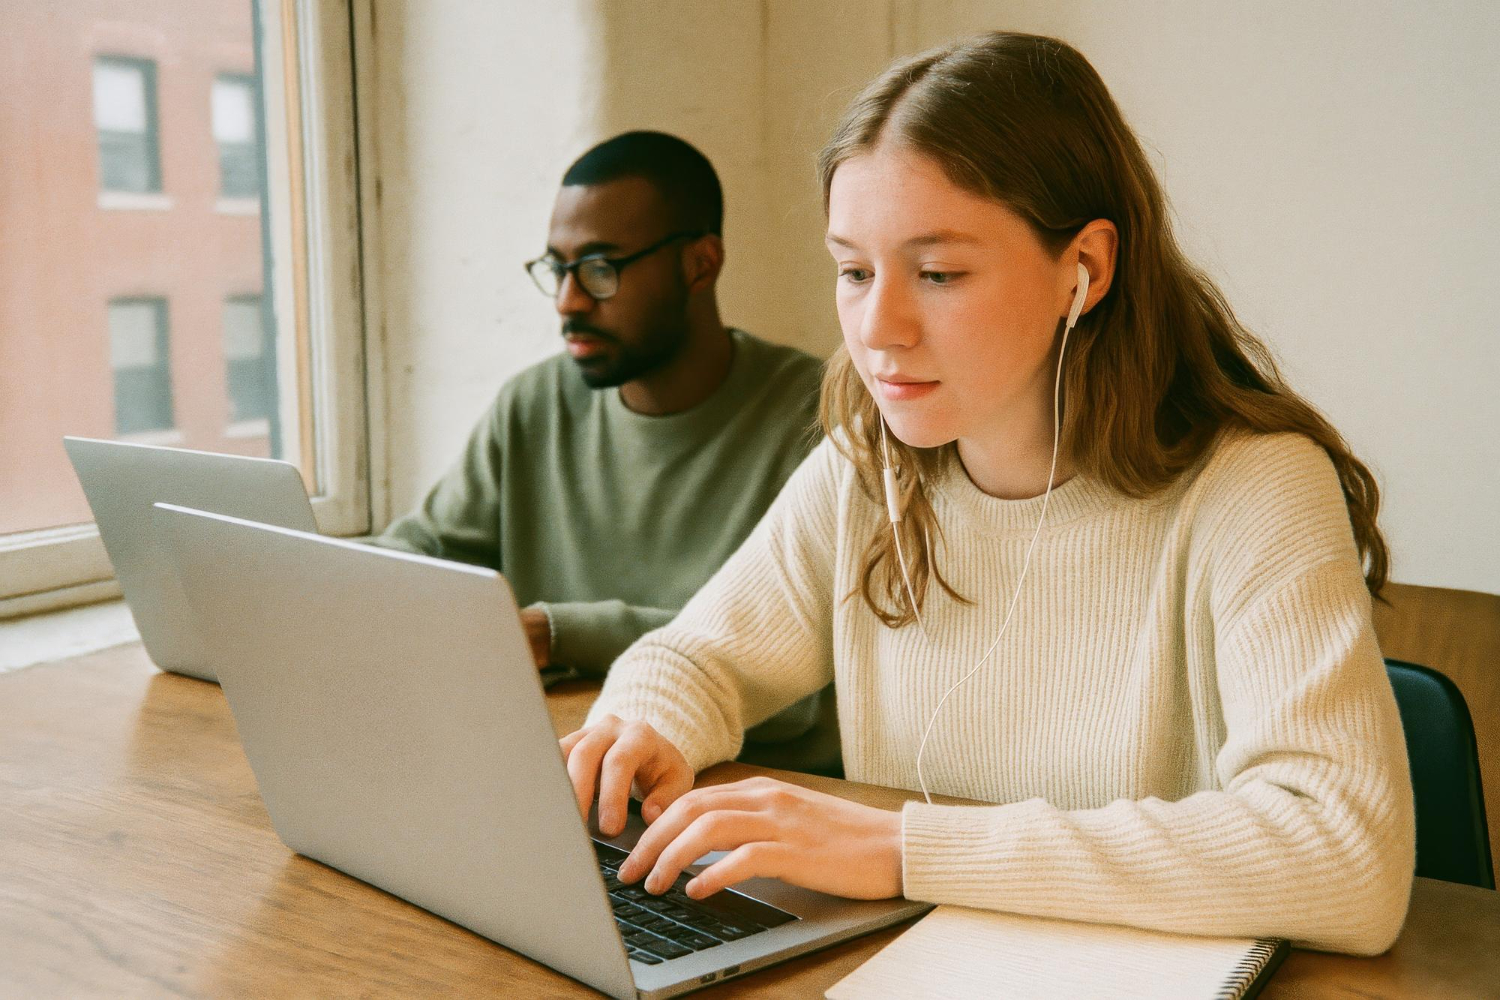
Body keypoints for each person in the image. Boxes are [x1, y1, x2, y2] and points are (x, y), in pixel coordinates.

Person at [560, 34, 1415, 955]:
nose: (877, 328)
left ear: (1084, 266)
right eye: (854, 270)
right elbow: (700, 658)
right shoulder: (870, 467)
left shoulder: (1255, 488)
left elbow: (1344, 856)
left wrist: (904, 848)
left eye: (938, 273)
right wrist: (641, 724)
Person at [375, 131, 834, 766]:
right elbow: (416, 558)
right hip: (562, 767)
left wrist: (559, 631)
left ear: (700, 263)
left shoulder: (822, 421)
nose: (569, 301)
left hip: (746, 791)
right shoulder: (533, 405)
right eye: (557, 269)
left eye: (600, 269)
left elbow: (802, 684)